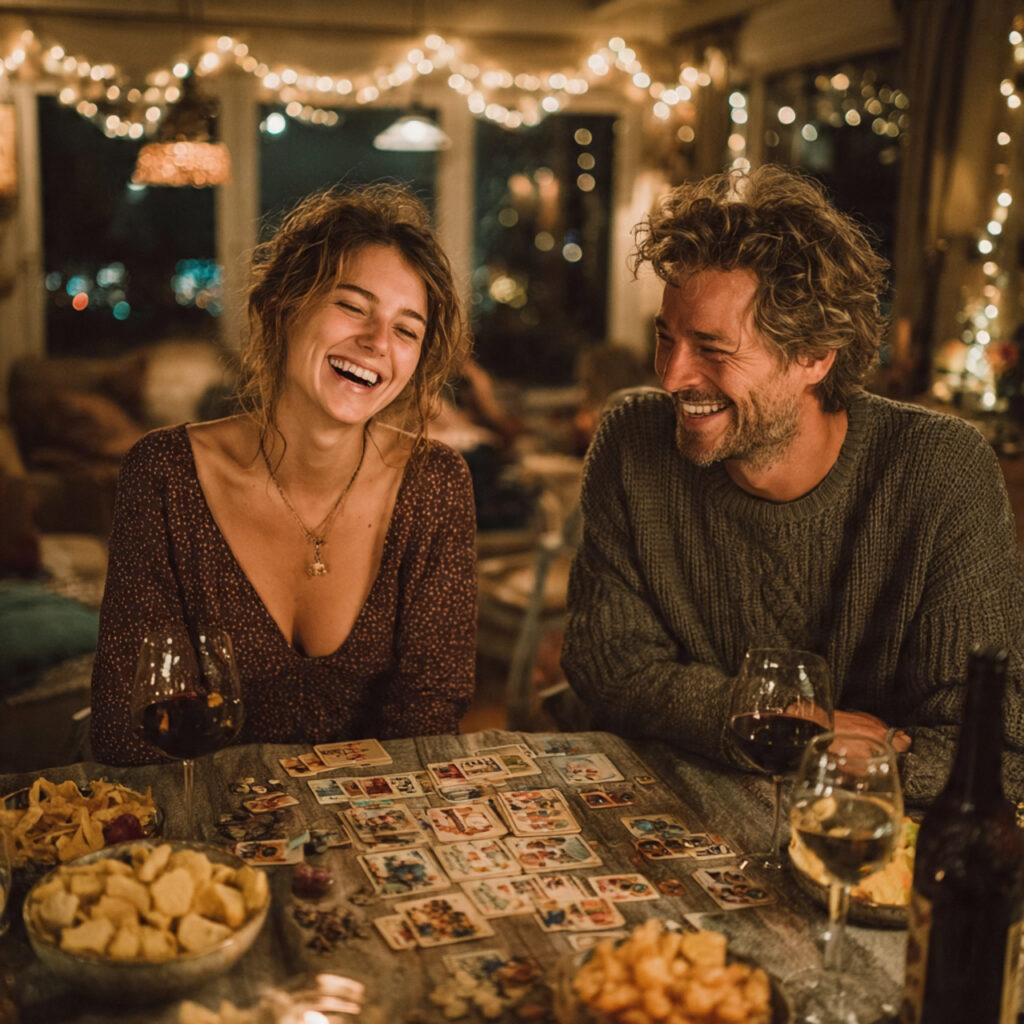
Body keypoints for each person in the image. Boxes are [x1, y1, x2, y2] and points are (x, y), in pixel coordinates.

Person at [560, 163, 1024, 806]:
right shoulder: (631, 442)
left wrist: (794, 757)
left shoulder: (940, 472)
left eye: (712, 349)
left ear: (814, 356)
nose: (670, 377)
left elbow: (989, 746)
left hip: (847, 835)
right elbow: (606, 664)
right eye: (665, 338)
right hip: (653, 816)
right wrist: (793, 726)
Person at [91, 183, 477, 765]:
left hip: (371, 831)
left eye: (406, 330)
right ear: (282, 306)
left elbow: (426, 723)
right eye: (352, 305)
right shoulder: (165, 475)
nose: (376, 343)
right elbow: (132, 729)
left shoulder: (435, 483)